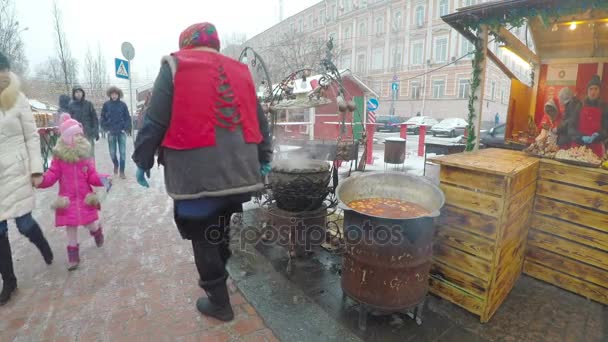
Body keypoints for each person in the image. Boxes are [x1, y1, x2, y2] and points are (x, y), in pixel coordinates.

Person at [132, 22, 272, 322]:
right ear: (216, 44)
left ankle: (219, 302)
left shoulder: (174, 66)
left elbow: (155, 121)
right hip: (238, 173)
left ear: (186, 44)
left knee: (202, 235)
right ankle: (220, 273)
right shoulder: (240, 70)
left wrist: (142, 160)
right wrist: (265, 157)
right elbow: (260, 121)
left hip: (196, 174)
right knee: (219, 226)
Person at [0, 52, 54, 306]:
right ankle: (9, 281)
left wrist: (35, 169)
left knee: (23, 224)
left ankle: (42, 243)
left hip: (17, 169)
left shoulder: (18, 98)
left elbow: (33, 136)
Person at [36, 114, 108, 271]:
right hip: (67, 199)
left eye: (80, 135)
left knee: (90, 224)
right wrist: (41, 181)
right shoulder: (59, 159)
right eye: (75, 135)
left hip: (84, 198)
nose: (79, 138)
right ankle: (73, 257)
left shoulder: (85, 158)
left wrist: (103, 179)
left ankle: (97, 232)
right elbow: (52, 175)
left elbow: (92, 176)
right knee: (70, 228)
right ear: (67, 138)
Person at [566, 75, 608, 157]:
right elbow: (571, 128)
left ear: (599, 91)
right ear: (587, 91)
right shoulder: (579, 106)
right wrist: (581, 137)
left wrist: (597, 135)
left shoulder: (604, 107)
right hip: (578, 147)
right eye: (591, 89)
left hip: (596, 148)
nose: (593, 92)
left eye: (596, 89)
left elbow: (606, 129)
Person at [100, 86, 132, 178]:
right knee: (112, 153)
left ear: (119, 95)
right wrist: (106, 126)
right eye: (112, 94)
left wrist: (126, 127)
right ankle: (116, 164)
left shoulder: (123, 105)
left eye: (116, 94)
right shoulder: (106, 105)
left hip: (121, 132)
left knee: (122, 152)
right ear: (110, 95)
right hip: (111, 132)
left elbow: (127, 118)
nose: (114, 96)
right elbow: (102, 117)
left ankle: (122, 171)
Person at [68, 86, 99, 156]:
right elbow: (69, 121)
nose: (78, 94)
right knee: (79, 156)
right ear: (74, 94)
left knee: (90, 155)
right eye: (76, 92)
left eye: (80, 92)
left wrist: (95, 131)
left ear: (83, 93)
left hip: (88, 133)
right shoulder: (71, 106)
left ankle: (91, 167)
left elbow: (94, 118)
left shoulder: (88, 104)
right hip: (77, 135)